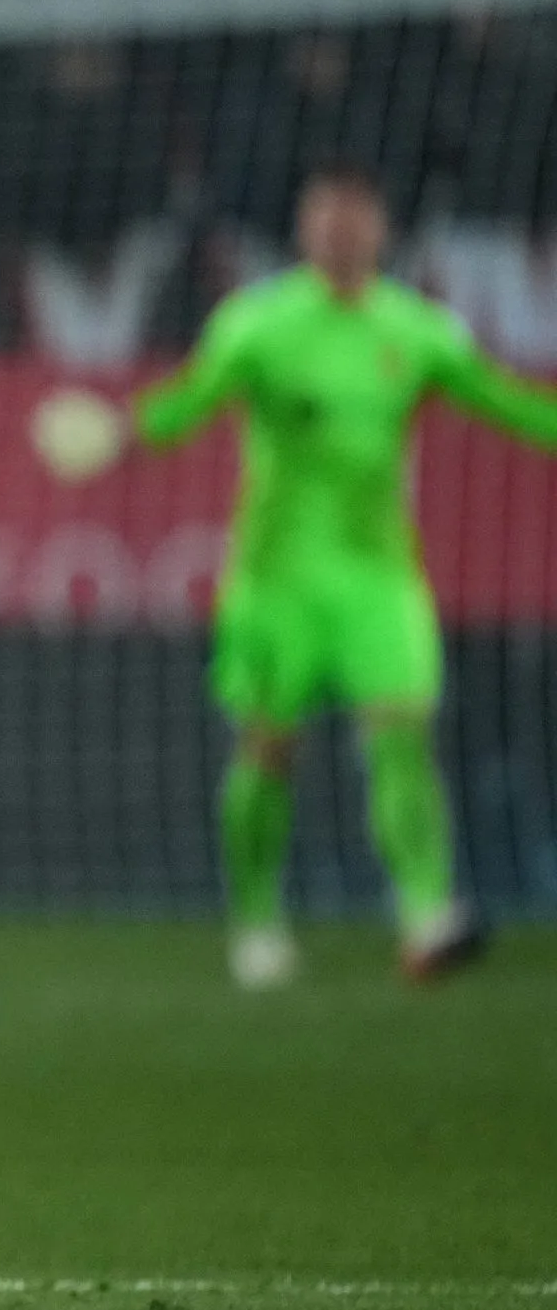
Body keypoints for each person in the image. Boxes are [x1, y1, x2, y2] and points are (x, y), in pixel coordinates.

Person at [133, 164, 557, 990]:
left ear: (380, 228)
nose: (339, 230)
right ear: (304, 229)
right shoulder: (256, 326)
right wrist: (122, 432)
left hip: (377, 575)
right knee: (268, 749)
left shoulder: (420, 332)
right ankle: (256, 920)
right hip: (275, 580)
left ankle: (427, 914)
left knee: (401, 734)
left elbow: (507, 404)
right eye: (324, 216)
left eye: (354, 216)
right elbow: (187, 406)